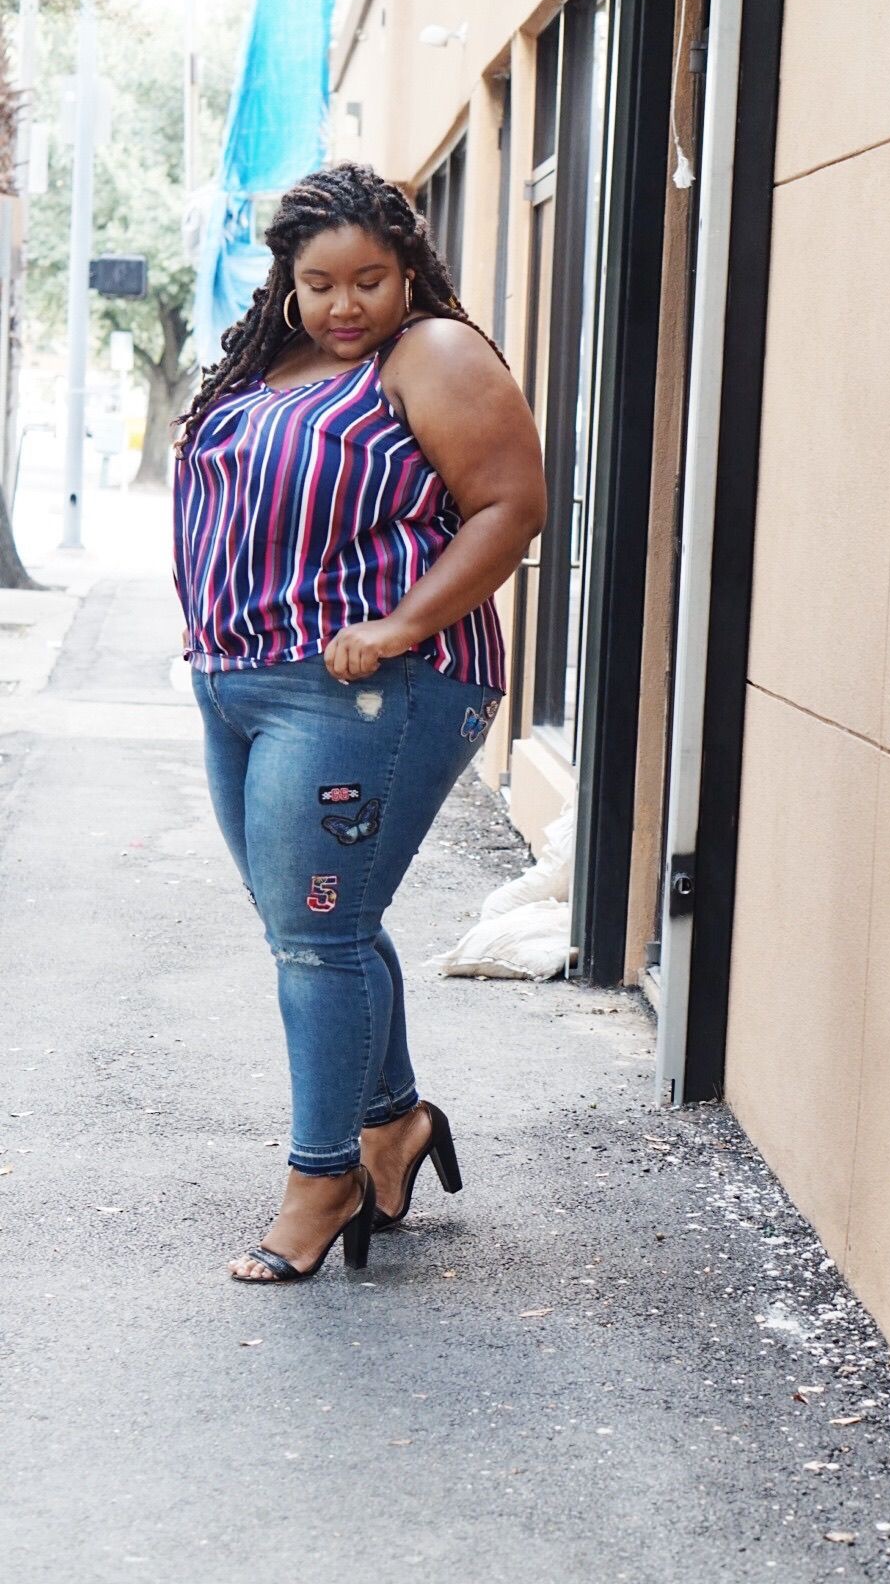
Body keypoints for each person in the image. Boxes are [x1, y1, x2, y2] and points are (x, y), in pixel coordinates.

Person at [171, 163, 546, 1283]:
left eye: (371, 280)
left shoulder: (428, 353)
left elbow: (510, 505)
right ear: (287, 283)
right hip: (240, 682)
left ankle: (321, 1175)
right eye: (320, 283)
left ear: (407, 267)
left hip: (372, 687)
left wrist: (396, 625)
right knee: (320, 921)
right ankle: (394, 1122)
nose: (346, 307)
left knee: (317, 935)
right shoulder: (269, 364)